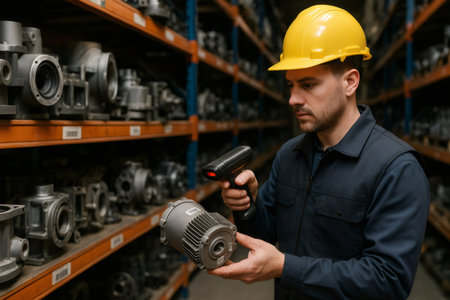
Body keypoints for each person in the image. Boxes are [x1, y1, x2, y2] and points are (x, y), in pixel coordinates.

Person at [208, 4, 430, 300]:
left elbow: (388, 281)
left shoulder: (396, 168)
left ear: (350, 81)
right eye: (290, 85)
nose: (293, 99)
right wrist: (247, 206)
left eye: (308, 84)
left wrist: (286, 267)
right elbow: (266, 239)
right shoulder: (289, 154)